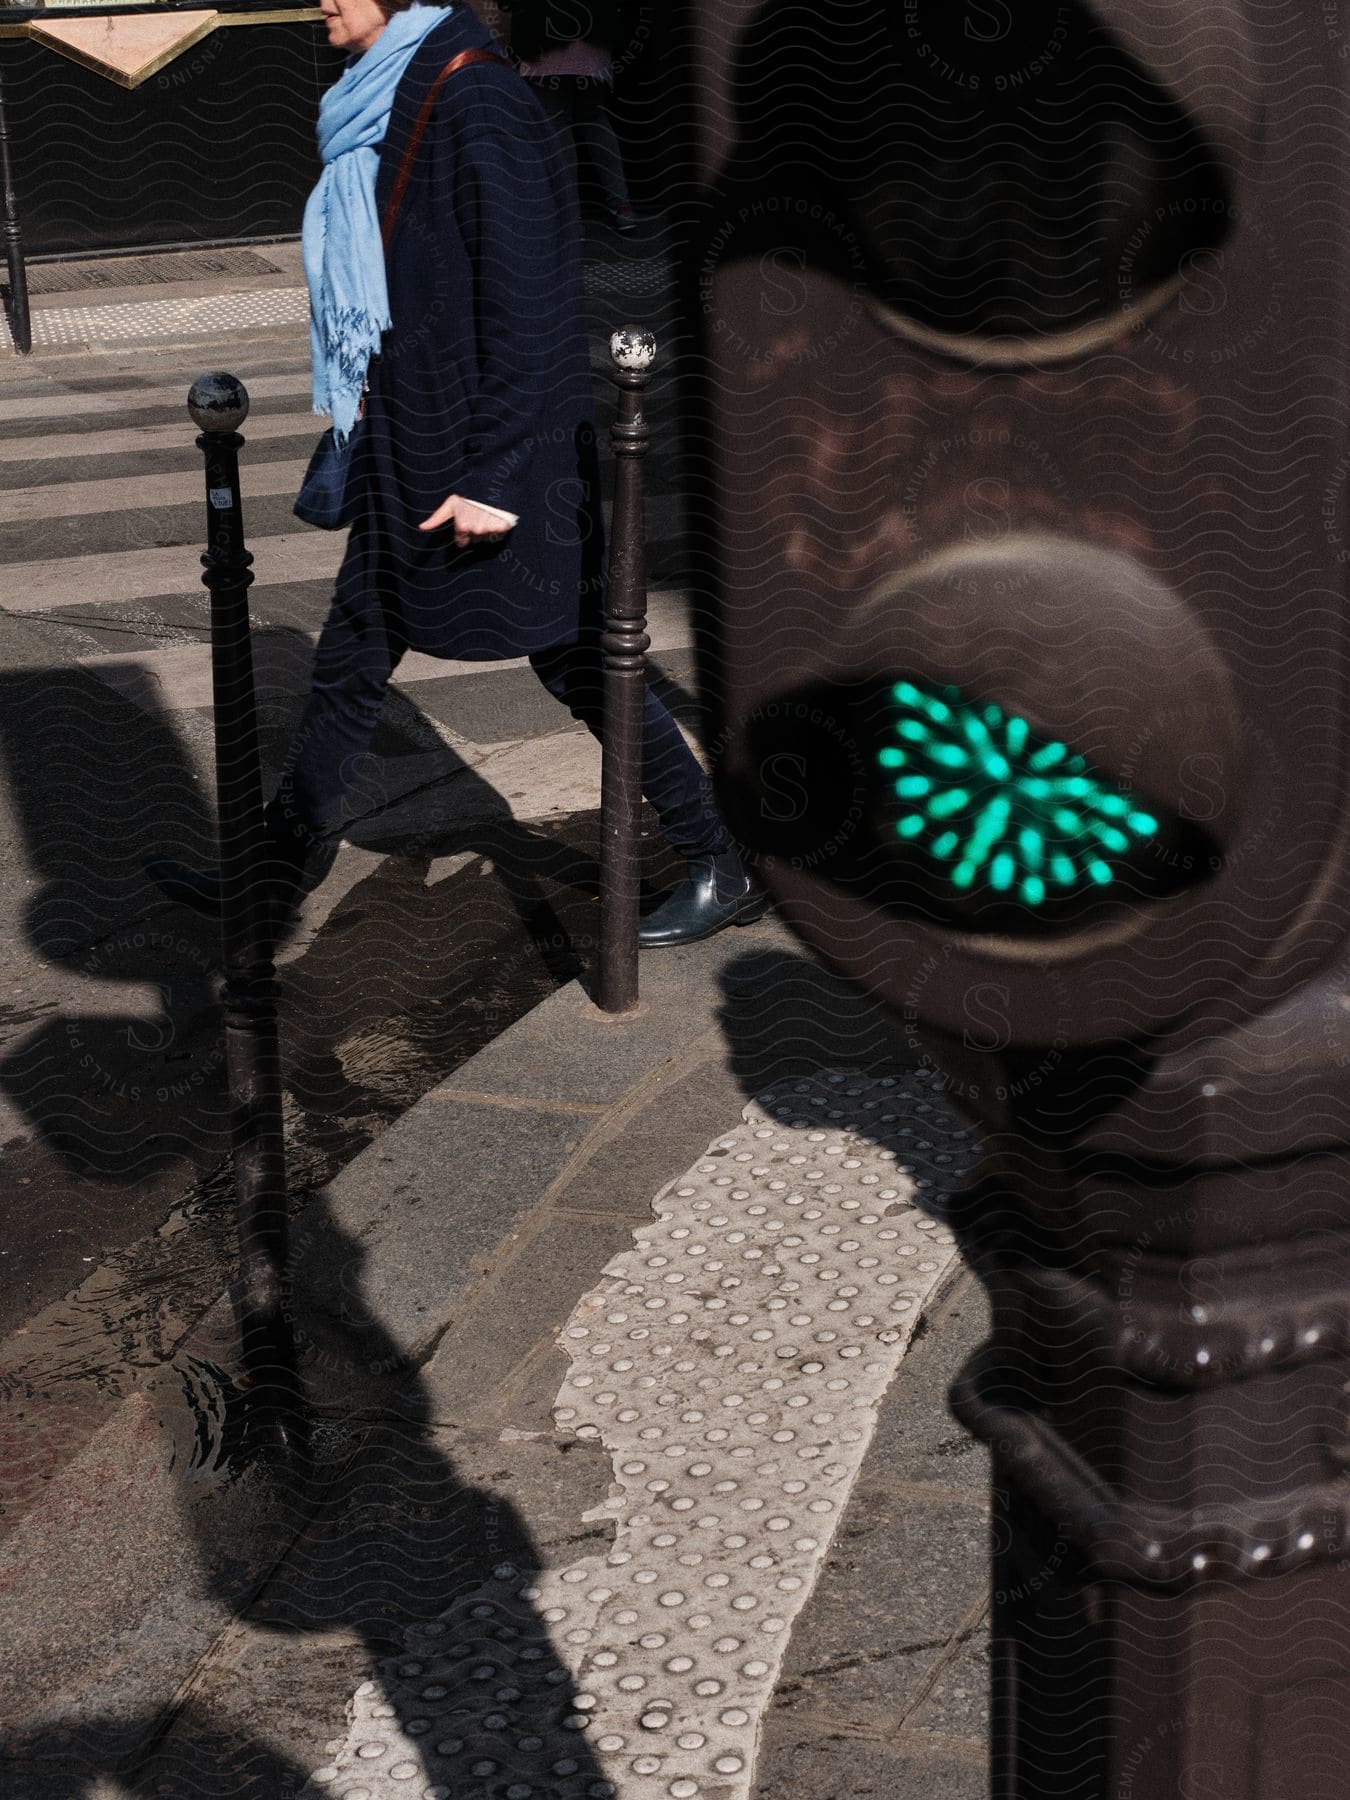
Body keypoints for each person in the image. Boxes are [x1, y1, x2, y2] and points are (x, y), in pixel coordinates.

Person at [150, 0, 761, 949]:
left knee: (584, 659)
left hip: (481, 458)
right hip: (413, 445)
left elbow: (532, 306)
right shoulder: (396, 95)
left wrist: (500, 475)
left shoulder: (476, 98)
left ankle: (720, 858)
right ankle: (274, 874)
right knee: (353, 659)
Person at [508, 0, 637, 231]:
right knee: (595, 120)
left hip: (544, 37)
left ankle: (570, 211)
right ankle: (622, 206)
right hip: (593, 34)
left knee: (557, 125)